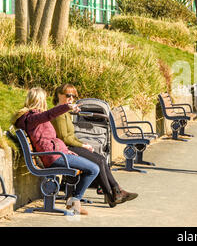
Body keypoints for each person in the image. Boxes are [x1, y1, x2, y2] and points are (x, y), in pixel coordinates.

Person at [13, 87, 100, 215]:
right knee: (94, 169)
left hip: (56, 155)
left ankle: (74, 202)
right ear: (41, 100)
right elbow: (49, 114)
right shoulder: (34, 117)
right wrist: (67, 107)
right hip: (55, 157)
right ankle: (74, 201)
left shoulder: (30, 118)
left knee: (93, 167)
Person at [51, 84, 138, 207]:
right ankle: (114, 194)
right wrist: (82, 145)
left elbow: (71, 135)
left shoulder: (64, 112)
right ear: (59, 95)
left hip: (72, 146)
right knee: (99, 161)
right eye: (67, 95)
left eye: (73, 96)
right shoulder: (59, 114)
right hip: (66, 149)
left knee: (101, 159)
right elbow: (64, 138)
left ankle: (115, 193)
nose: (71, 98)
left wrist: (82, 144)